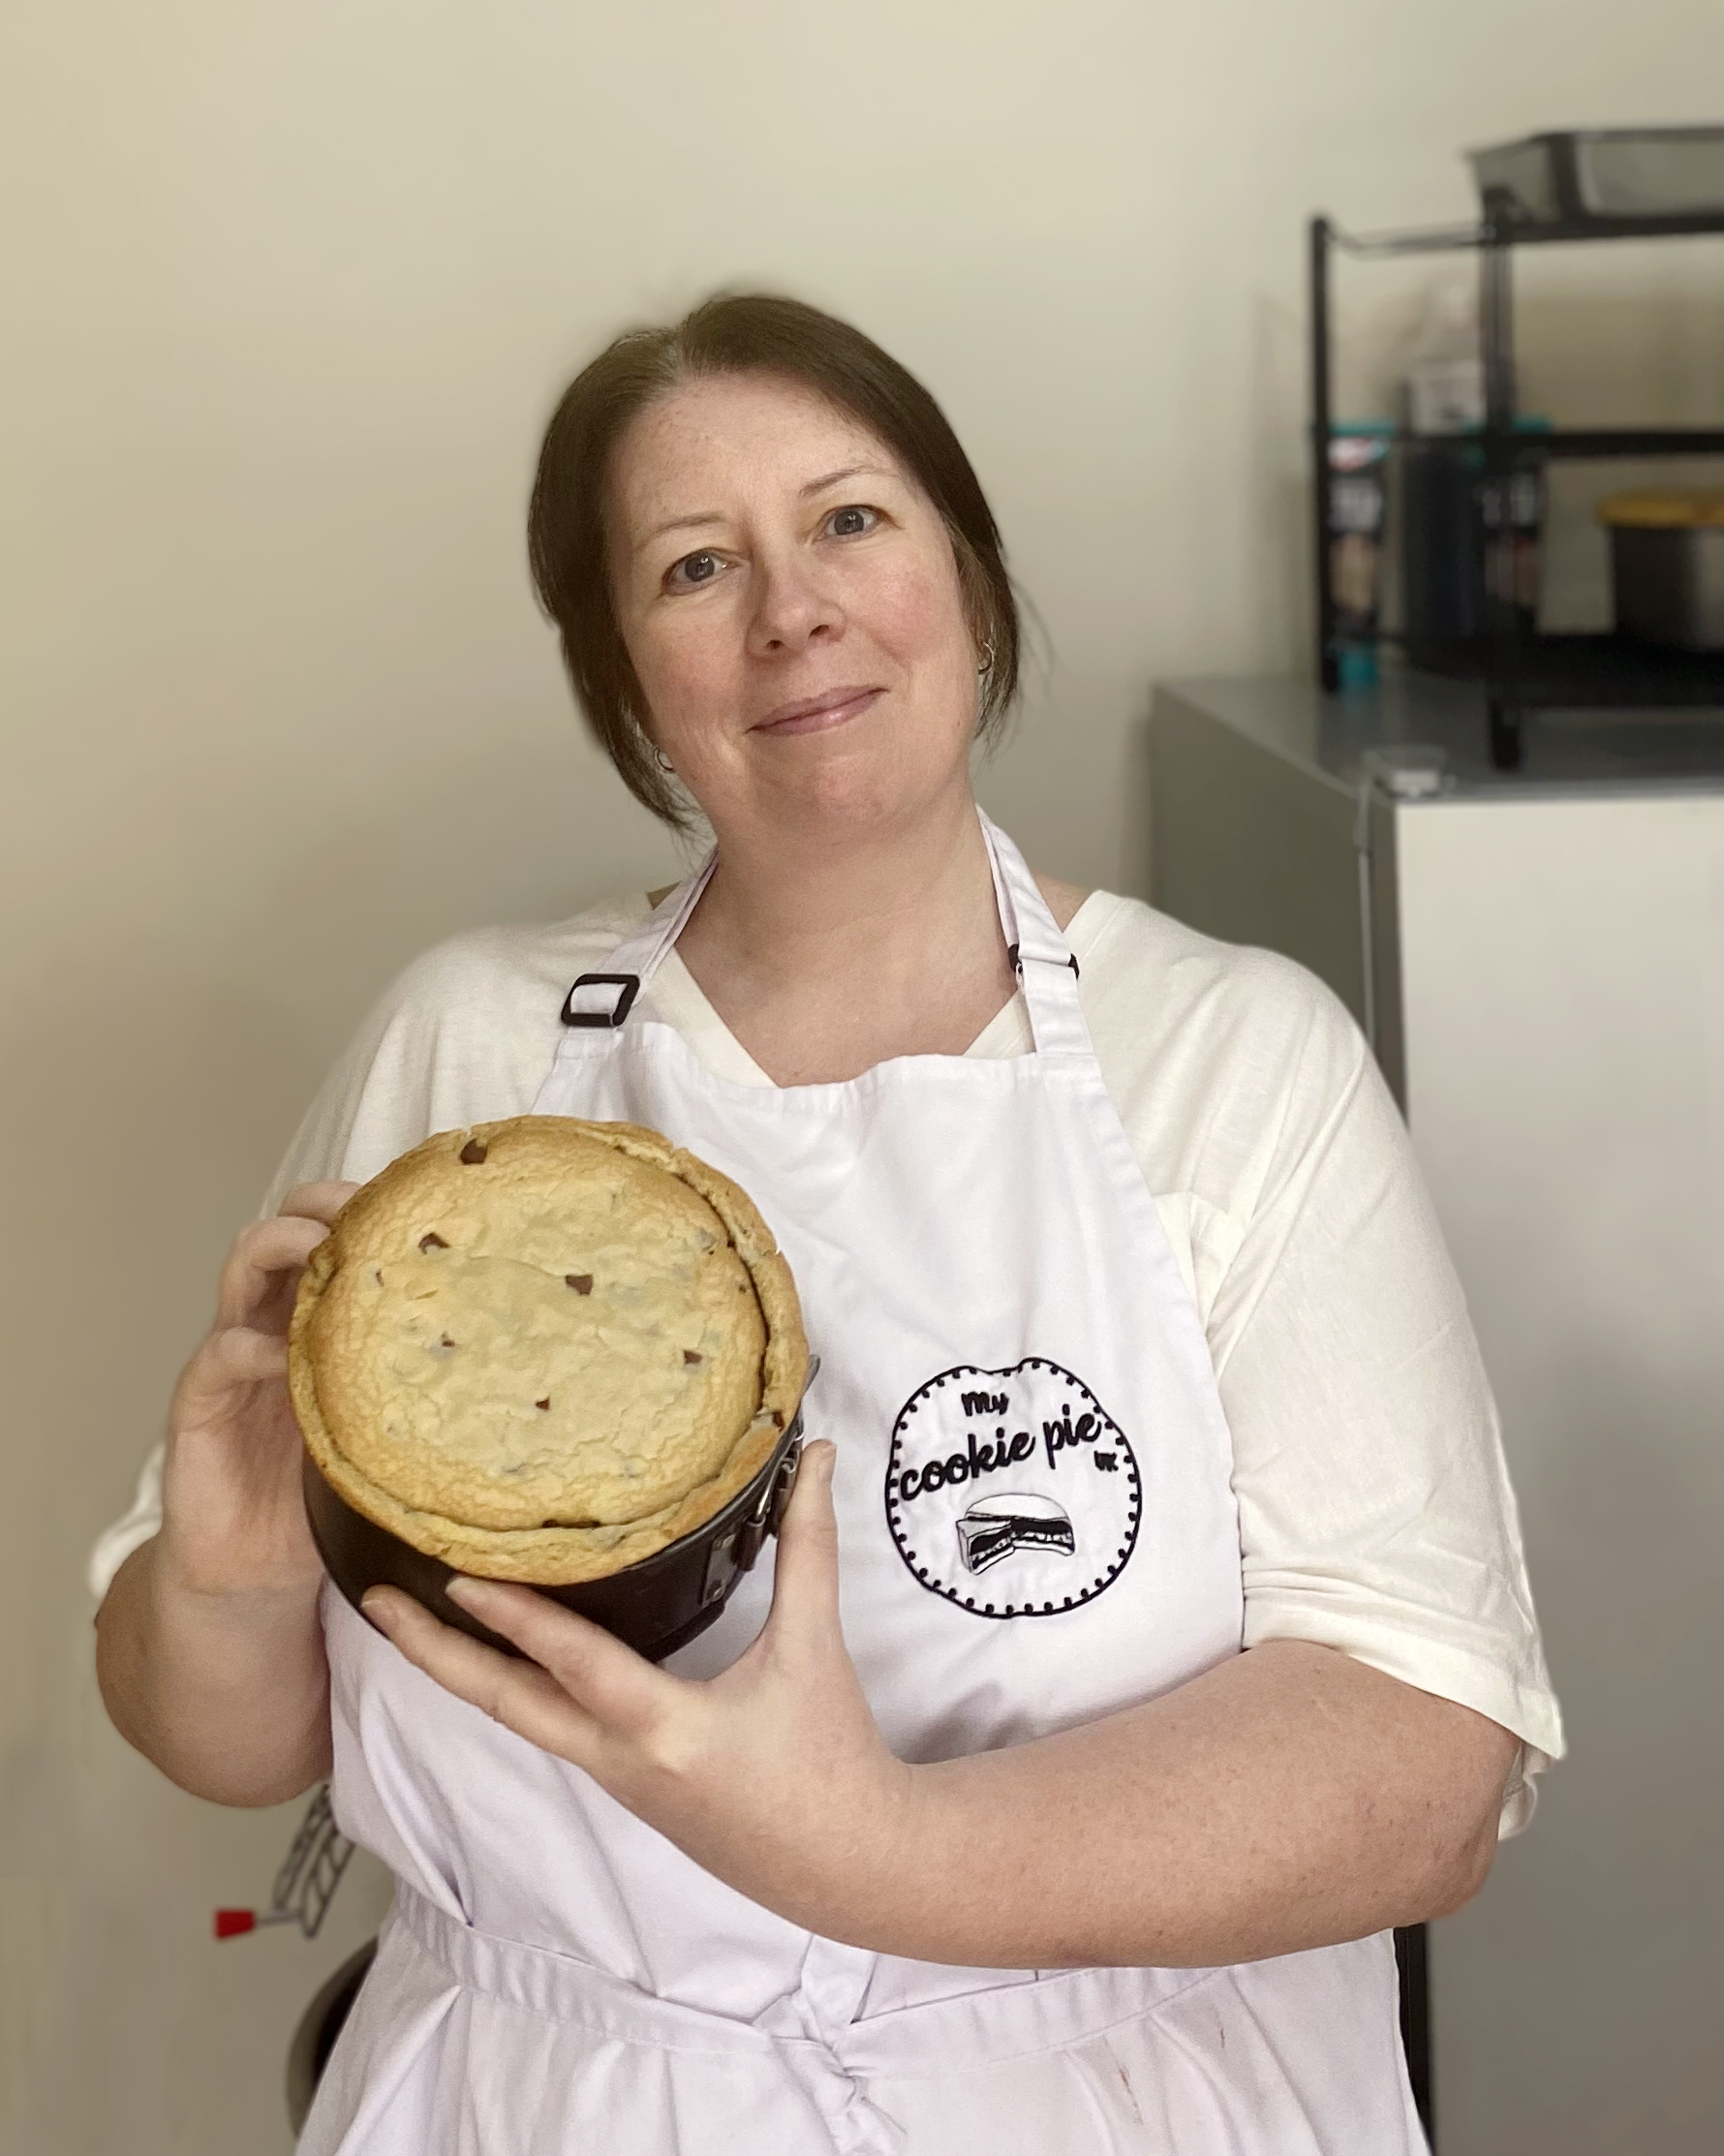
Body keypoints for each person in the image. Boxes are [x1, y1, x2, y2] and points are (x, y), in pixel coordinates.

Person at [93, 293, 1562, 2154]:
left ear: (970, 577)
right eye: (696, 565)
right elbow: (229, 1740)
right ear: (627, 677)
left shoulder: (1234, 1061)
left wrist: (875, 1847)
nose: (792, 610)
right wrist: (228, 1577)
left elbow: (1424, 1768)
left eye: (850, 519)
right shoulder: (467, 1060)